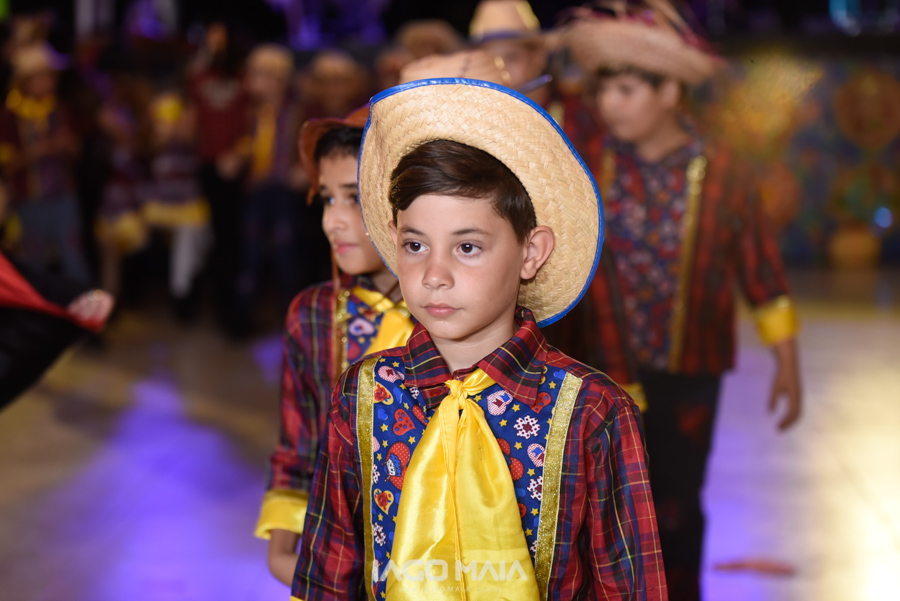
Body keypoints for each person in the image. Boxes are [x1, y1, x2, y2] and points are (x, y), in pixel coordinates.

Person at [291, 78, 666, 601]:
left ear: (531, 253)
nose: (434, 275)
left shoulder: (593, 413)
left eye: (467, 247)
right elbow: (327, 573)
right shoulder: (364, 395)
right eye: (415, 245)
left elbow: (629, 587)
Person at [565, 3, 803, 598]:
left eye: (626, 90)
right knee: (599, 502)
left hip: (690, 370)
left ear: (670, 92)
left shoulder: (723, 172)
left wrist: (787, 360)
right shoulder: (589, 165)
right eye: (605, 90)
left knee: (675, 500)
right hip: (603, 367)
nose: (610, 104)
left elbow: (759, 266)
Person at [256, 105, 415, 587]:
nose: (333, 222)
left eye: (355, 199)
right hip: (342, 560)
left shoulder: (455, 314)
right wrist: (282, 552)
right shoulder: (314, 315)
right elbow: (300, 445)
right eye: (327, 199)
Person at [227, 44, 305, 338]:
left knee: (286, 253)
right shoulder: (250, 112)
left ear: (279, 78)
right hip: (256, 190)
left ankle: (292, 322)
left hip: (284, 190)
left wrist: (305, 169)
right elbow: (242, 142)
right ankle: (242, 318)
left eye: (262, 75)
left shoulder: (295, 110)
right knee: (250, 255)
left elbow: (309, 143)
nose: (254, 82)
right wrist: (238, 155)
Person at [0, 42, 90, 284]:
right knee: (34, 263)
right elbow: (7, 166)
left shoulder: (59, 109)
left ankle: (83, 306)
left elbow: (77, 153)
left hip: (63, 196)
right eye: (41, 76)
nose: (48, 82)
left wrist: (68, 146)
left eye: (50, 76)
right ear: (25, 80)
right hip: (30, 200)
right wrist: (38, 150)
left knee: (73, 258)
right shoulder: (10, 115)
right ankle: (37, 309)